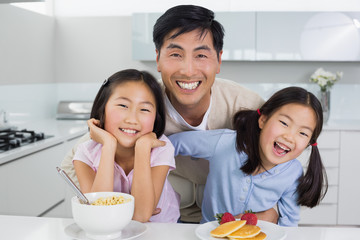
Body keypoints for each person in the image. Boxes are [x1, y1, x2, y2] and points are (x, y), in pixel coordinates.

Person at [61, 5, 272, 223]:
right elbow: (76, 159)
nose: (188, 70)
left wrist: (274, 210)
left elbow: (296, 154)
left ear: (218, 60)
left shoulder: (247, 105)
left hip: (233, 219)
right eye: (175, 54)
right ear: (158, 58)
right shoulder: (144, 105)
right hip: (168, 222)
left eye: (201, 55)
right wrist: (123, 203)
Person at [168, 86, 328, 226]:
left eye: (302, 133)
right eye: (284, 123)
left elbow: (289, 224)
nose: (289, 137)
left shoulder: (293, 172)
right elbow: (173, 144)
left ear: (309, 143)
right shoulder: (226, 143)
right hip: (210, 235)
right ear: (263, 120)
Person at [72, 69, 180, 223]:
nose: (132, 119)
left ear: (156, 117)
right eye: (123, 105)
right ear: (102, 109)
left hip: (161, 231)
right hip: (111, 231)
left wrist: (142, 148)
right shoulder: (85, 154)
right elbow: (98, 213)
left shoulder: (161, 148)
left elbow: (141, 215)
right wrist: (108, 145)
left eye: (144, 109)